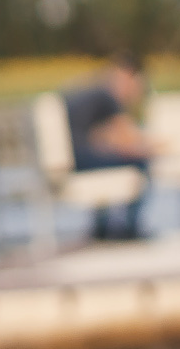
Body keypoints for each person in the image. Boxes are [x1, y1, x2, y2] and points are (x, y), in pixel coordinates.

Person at [62, 54, 160, 241]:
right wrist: (156, 146)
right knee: (141, 162)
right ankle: (130, 227)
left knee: (108, 162)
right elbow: (128, 138)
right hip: (78, 157)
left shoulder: (90, 89)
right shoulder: (106, 94)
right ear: (127, 76)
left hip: (70, 156)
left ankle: (102, 228)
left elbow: (102, 138)